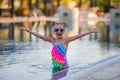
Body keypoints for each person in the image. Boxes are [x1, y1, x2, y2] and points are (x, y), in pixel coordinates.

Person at [20, 22, 99, 72]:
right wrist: (29, 31)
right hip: (55, 67)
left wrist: (90, 32)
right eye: (56, 30)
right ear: (53, 31)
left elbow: (78, 36)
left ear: (64, 31)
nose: (59, 32)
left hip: (64, 68)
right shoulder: (52, 40)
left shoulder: (65, 41)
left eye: (61, 30)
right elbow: (41, 36)